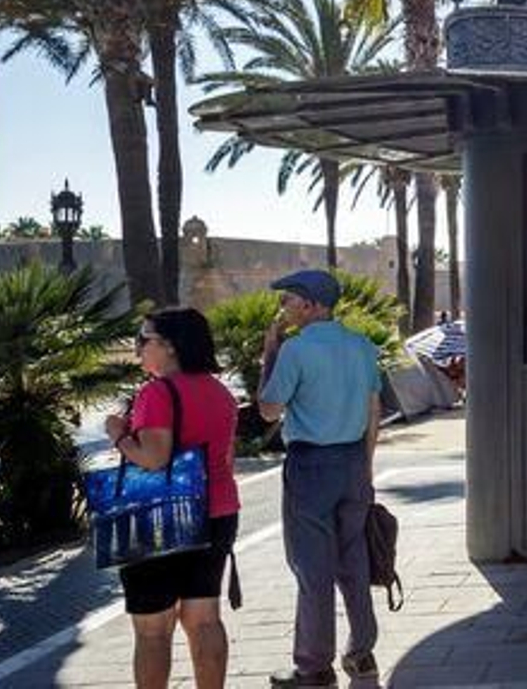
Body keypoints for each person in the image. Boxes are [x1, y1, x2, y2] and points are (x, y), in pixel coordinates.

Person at [105, 308, 240, 689]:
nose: (137, 351)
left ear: (170, 346)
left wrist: (117, 433)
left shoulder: (157, 392)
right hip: (218, 510)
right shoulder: (219, 391)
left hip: (159, 515)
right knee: (205, 619)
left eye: (142, 340)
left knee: (153, 629)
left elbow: (153, 458)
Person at [259, 270, 382, 688]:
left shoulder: (295, 350)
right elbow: (373, 412)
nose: (283, 309)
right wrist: (364, 468)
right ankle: (361, 653)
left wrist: (270, 354)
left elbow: (269, 410)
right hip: (353, 462)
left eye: (289, 301)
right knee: (354, 561)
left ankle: (313, 667)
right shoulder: (362, 346)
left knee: (313, 570)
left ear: (311, 305)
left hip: (311, 465)